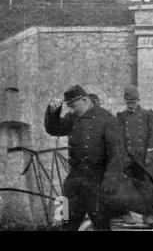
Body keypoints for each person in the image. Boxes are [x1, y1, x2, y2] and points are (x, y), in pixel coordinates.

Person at [44, 85, 118, 230]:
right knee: (66, 223)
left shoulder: (107, 119)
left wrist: (110, 184)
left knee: (101, 224)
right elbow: (54, 129)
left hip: (97, 182)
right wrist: (53, 113)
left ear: (85, 100)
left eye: (73, 106)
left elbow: (116, 156)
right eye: (68, 107)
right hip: (74, 181)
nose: (70, 110)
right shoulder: (72, 117)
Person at [116, 85, 153, 226]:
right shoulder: (121, 116)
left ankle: (148, 216)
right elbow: (120, 138)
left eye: (133, 101)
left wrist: (150, 155)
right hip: (128, 157)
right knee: (126, 186)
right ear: (125, 101)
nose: (131, 104)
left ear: (138, 100)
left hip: (144, 158)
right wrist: (122, 156)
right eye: (128, 102)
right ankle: (126, 214)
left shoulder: (147, 115)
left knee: (147, 186)